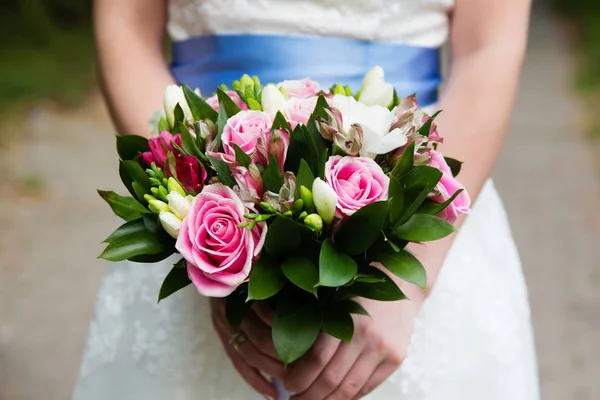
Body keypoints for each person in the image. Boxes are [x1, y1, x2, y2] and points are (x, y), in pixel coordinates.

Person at [74, 0, 539, 399]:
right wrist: (210, 243)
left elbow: (489, 48)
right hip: (203, 202)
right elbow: (126, 28)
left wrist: (407, 282)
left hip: (412, 219)